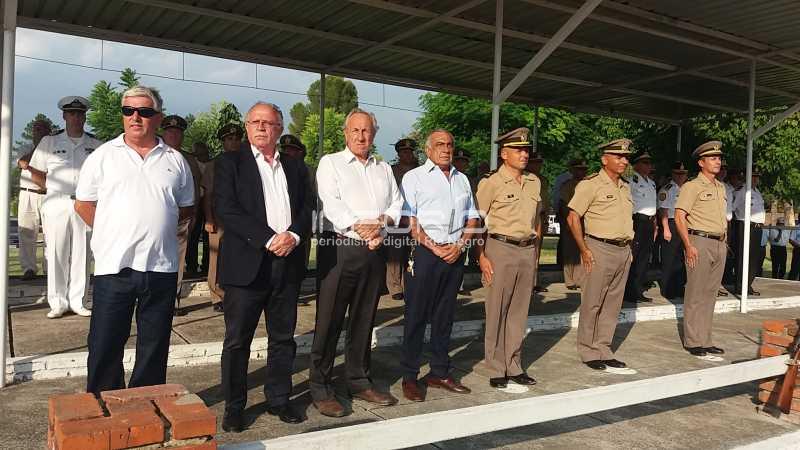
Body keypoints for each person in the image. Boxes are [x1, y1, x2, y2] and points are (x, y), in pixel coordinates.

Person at [75, 86, 195, 393]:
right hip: (114, 266)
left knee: (154, 344)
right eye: (128, 110)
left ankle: (146, 401)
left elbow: (185, 208)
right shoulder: (102, 156)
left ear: (158, 117)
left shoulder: (175, 160)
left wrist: (155, 226)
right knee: (105, 342)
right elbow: (83, 204)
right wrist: (112, 230)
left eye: (144, 111)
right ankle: (104, 402)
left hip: (161, 266)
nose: (135, 117)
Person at [215, 102, 312, 431]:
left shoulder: (295, 167)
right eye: (255, 122)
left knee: (283, 338)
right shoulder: (230, 162)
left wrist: (294, 235)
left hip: (287, 263)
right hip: (247, 266)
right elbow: (226, 208)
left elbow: (307, 208)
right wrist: (269, 239)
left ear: (279, 129)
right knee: (237, 341)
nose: (261, 127)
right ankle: (234, 406)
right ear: (246, 127)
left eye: (268, 123)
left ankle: (279, 399)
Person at [311, 108, 403, 417]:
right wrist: (363, 229)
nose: (361, 136)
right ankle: (321, 387)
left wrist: (382, 224)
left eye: (366, 131)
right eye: (355, 130)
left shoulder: (383, 168)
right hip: (341, 250)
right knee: (329, 321)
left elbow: (397, 203)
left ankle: (359, 380)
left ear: (374, 134)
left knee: (364, 319)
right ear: (345, 132)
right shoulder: (331, 163)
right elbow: (331, 203)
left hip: (375, 250)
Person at [399, 129, 479, 402]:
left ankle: (440, 372)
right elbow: (410, 221)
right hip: (425, 253)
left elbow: (472, 218)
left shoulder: (462, 179)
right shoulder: (414, 177)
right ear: (428, 150)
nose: (446, 149)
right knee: (416, 316)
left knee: (445, 317)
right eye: (440, 144)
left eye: (450, 144)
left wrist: (460, 246)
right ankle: (410, 376)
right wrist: (435, 247)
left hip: (455, 254)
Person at [476, 127, 542, 389]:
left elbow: (536, 219)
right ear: (504, 154)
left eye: (526, 150)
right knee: (497, 310)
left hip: (526, 250)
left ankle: (514, 365)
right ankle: (496, 367)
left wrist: (535, 252)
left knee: (519, 311)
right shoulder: (491, 183)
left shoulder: (534, 181)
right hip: (500, 248)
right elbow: (477, 223)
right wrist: (481, 256)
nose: (524, 154)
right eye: (518, 150)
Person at [566, 139, 637, 374]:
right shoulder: (590, 185)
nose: (624, 161)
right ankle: (588, 350)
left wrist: (629, 249)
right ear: (604, 159)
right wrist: (584, 249)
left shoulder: (625, 186)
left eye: (626, 157)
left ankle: (604, 348)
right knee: (593, 302)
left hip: (622, 250)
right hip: (599, 248)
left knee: (612, 304)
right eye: (618, 156)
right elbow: (573, 217)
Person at [28, 96, 102, 319]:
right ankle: (58, 302)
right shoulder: (49, 142)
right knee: (56, 252)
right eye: (72, 113)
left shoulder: (95, 145)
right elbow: (36, 172)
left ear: (85, 117)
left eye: (80, 114)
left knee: (82, 253)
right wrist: (53, 188)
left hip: (84, 203)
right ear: (64, 116)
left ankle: (78, 301)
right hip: (57, 203)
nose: (76, 117)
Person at [674, 141, 728, 360]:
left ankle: (706, 339)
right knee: (696, 293)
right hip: (700, 241)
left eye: (719, 158)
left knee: (710, 294)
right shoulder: (692, 186)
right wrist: (688, 245)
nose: (717, 162)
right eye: (713, 158)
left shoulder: (720, 187)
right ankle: (693, 341)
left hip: (719, 243)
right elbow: (679, 216)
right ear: (701, 162)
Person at [161, 115, 203, 315]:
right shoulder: (154, 155)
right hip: (156, 217)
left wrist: (193, 215)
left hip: (182, 217)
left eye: (178, 132)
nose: (174, 135)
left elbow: (196, 189)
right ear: (163, 133)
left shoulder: (189, 160)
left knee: (177, 262)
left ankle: (171, 301)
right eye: (170, 131)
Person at [203, 123, 244, 312]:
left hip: (242, 218)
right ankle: (216, 296)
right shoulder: (214, 165)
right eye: (229, 139)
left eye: (236, 139)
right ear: (223, 142)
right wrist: (209, 218)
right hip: (219, 218)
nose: (233, 143)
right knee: (216, 257)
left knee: (239, 256)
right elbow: (208, 194)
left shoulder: (247, 163)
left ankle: (236, 292)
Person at [278, 133, 315, 298]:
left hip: (301, 221)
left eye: (291, 150)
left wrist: (311, 224)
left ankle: (296, 289)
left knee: (300, 259)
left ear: (300, 152)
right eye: (285, 149)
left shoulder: (308, 170)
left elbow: (313, 198)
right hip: (281, 222)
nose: (287, 153)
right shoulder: (277, 167)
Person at [16, 119, 51, 280]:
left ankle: (49, 268)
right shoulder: (25, 148)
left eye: (42, 129)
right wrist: (37, 148)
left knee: (50, 233)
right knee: (26, 231)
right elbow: (23, 163)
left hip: (47, 194)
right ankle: (28, 268)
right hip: (28, 193)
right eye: (36, 129)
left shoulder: (52, 149)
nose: (39, 132)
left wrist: (44, 145)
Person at [386, 138, 419, 301]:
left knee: (413, 252)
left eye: (409, 152)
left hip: (416, 216)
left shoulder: (420, 171)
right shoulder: (391, 171)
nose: (407, 154)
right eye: (404, 152)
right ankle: (394, 286)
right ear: (398, 154)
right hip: (397, 218)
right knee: (395, 253)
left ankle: (409, 284)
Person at [624, 152, 657, 303]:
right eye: (645, 163)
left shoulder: (651, 183)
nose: (649, 166)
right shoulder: (631, 180)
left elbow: (652, 206)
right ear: (636, 165)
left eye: (649, 163)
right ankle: (629, 291)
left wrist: (655, 225)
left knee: (644, 257)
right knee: (634, 256)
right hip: (637, 221)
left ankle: (638, 289)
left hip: (649, 222)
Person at [657, 162, 688, 300]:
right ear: (673, 174)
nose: (681, 177)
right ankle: (667, 289)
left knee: (681, 259)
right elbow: (663, 210)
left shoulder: (687, 189)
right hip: (671, 224)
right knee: (669, 258)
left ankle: (679, 288)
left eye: (683, 174)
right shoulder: (667, 189)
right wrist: (666, 229)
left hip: (684, 225)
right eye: (678, 174)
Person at [733, 171, 765, 296]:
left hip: (757, 227)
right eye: (753, 176)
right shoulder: (742, 191)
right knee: (743, 257)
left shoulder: (757, 192)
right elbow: (732, 208)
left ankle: (747, 284)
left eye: (757, 177)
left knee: (753, 258)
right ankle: (740, 286)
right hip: (746, 225)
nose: (755, 179)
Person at [558, 159, 588, 290]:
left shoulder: (588, 185)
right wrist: (567, 221)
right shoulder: (568, 185)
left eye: (584, 169)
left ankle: (579, 279)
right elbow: (564, 204)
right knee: (569, 251)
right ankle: (569, 280)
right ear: (573, 171)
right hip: (572, 220)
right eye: (579, 169)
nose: (582, 172)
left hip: (585, 221)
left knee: (582, 250)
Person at [526, 152, 550, 293]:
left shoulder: (542, 180)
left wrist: (546, 216)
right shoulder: (525, 178)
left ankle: (534, 282)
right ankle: (526, 283)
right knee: (528, 251)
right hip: (528, 218)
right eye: (535, 163)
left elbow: (545, 200)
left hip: (541, 217)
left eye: (540, 163)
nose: (538, 166)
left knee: (537, 251)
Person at [187, 142, 211, 276]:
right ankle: (191, 266)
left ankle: (206, 266)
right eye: (198, 151)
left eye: (203, 151)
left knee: (208, 236)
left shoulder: (212, 164)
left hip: (209, 203)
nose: (201, 153)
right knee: (193, 235)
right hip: (195, 201)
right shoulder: (191, 163)